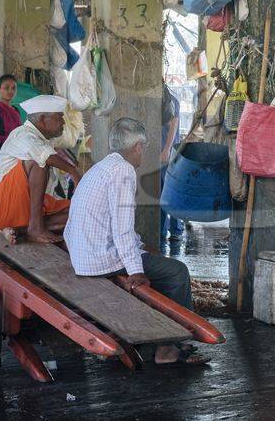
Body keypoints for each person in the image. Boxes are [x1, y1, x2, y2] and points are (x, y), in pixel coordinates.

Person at [63, 118, 200, 365]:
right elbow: (122, 230)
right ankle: (169, 347)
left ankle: (161, 336)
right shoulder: (123, 171)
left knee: (153, 256)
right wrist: (135, 270)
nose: (142, 154)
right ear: (137, 146)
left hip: (83, 256)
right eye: (143, 148)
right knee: (177, 272)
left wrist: (140, 248)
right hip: (101, 261)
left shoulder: (102, 167)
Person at [0, 95, 83, 244]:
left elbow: (58, 148)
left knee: (80, 212)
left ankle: (22, 230)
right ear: (42, 120)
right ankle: (35, 228)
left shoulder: (41, 137)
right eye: (59, 118)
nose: (63, 122)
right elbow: (45, 156)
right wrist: (73, 171)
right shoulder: (22, 135)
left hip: (16, 211)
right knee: (39, 161)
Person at [160, 84, 185, 243]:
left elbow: (174, 125)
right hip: (159, 153)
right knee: (161, 192)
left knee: (171, 192)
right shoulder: (157, 100)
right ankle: (162, 230)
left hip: (167, 154)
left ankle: (176, 229)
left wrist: (166, 150)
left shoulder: (170, 100)